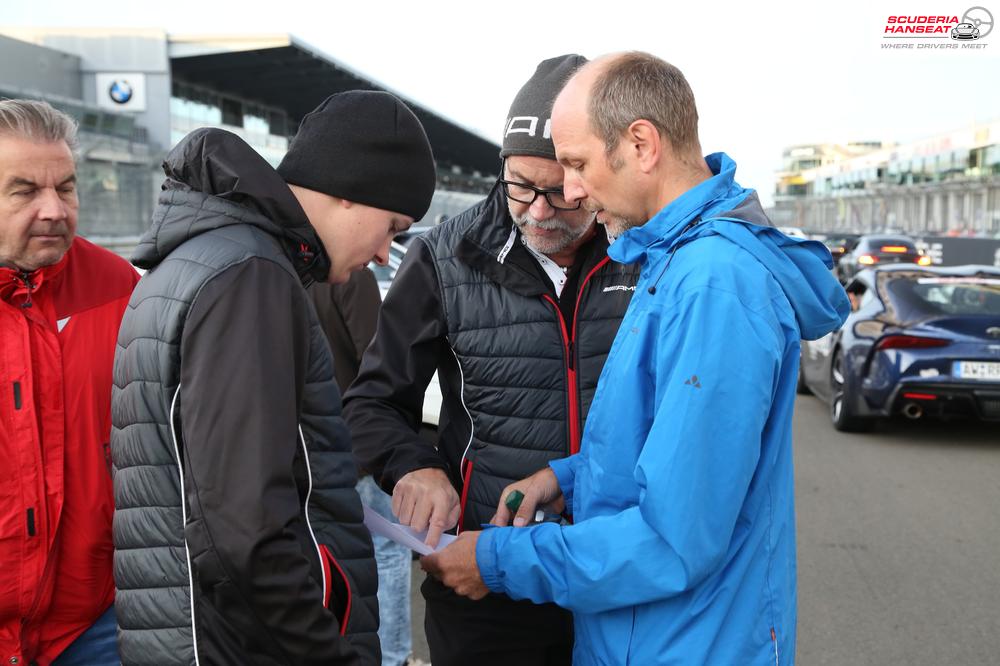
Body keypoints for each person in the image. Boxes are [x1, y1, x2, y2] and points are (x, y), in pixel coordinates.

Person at [421, 52, 851, 665]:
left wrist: (496, 561)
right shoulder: (670, 260)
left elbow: (674, 539)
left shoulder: (713, 285)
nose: (569, 190)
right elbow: (659, 446)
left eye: (576, 163)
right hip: (645, 635)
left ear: (642, 144)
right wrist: (566, 479)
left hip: (683, 645)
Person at [110, 91, 436, 665]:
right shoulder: (250, 275)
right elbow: (248, 531)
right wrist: (328, 654)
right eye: (393, 226)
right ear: (348, 191)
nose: (388, 253)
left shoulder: (201, 258)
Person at [342, 55, 640, 666]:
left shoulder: (647, 253)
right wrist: (411, 467)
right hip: (488, 585)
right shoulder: (444, 259)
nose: (535, 211)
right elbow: (371, 402)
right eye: (518, 186)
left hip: (620, 576)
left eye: (557, 191)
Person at [0, 99, 139, 666]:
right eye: (24, 190)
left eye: (67, 187)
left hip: (94, 620)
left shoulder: (120, 287)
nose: (55, 210)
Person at [308, 270, 421, 666]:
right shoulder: (353, 277)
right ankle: (393, 656)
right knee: (388, 552)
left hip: (315, 451)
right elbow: (377, 364)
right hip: (361, 444)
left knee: (332, 556)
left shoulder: (286, 272)